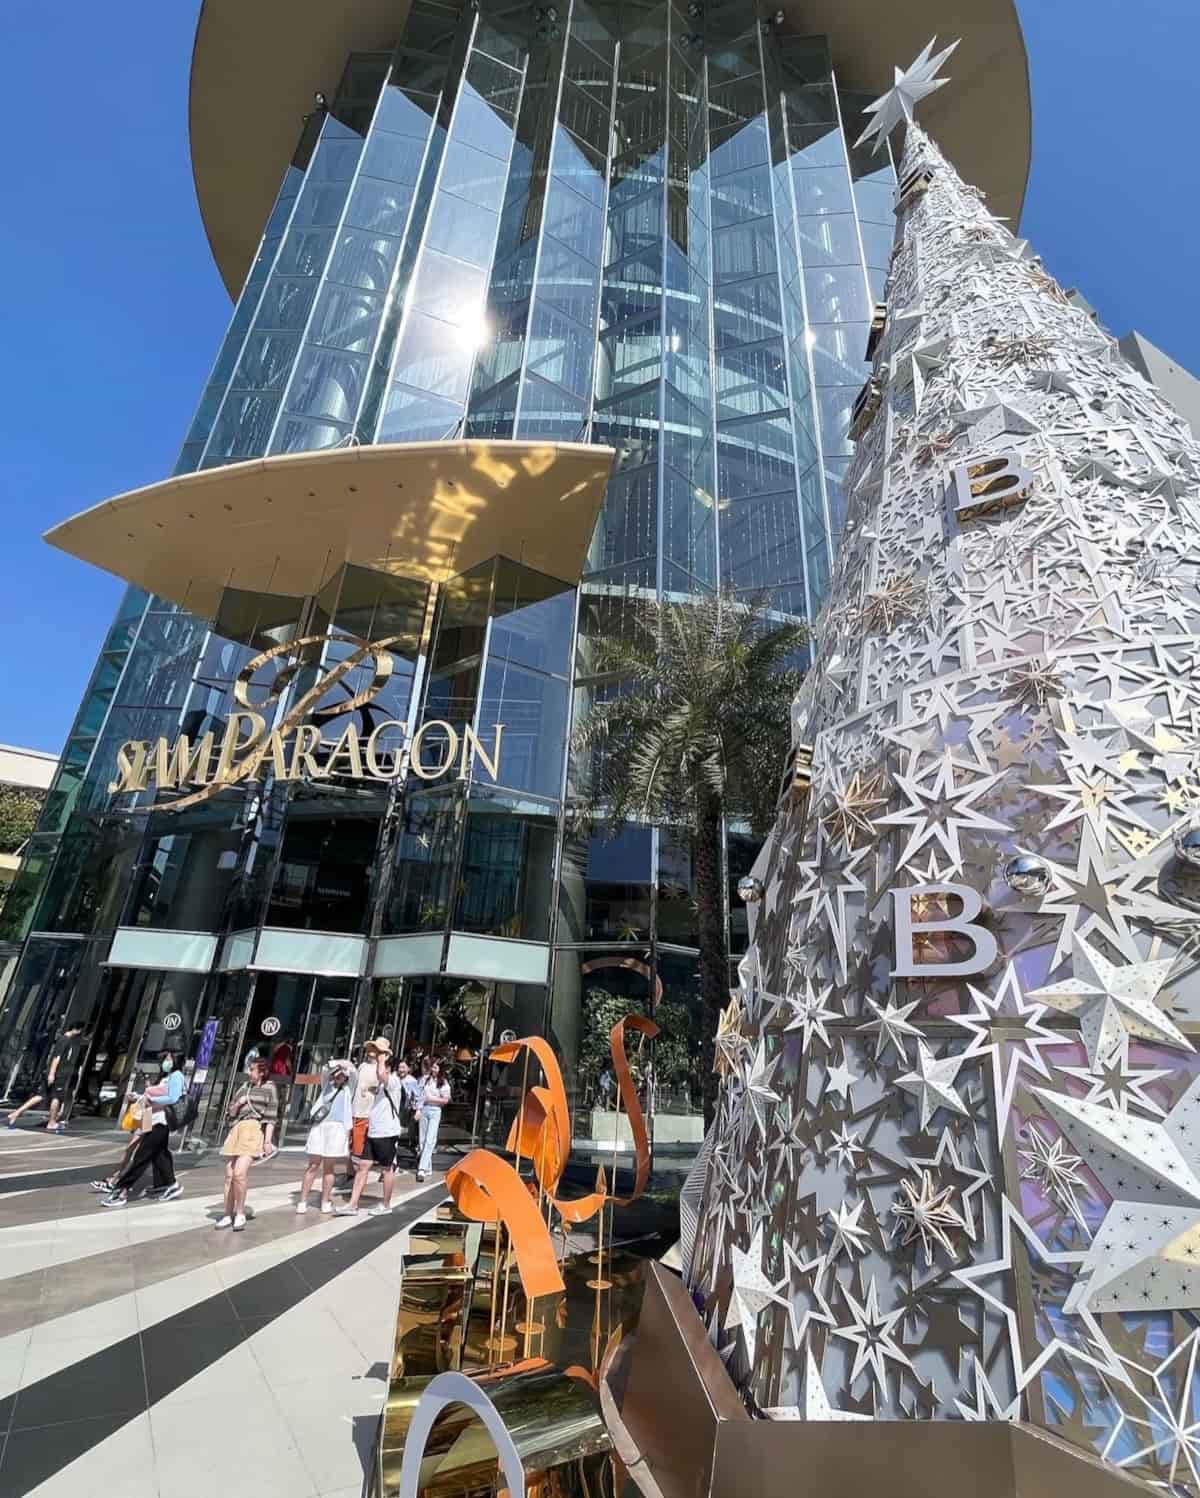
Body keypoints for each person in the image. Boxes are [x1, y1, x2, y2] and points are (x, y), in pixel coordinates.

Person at [99, 1048, 186, 1207]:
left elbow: (173, 1098)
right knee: (160, 1155)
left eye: (169, 1059)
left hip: (161, 1122)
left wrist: (151, 1098)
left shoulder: (177, 1076)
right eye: (165, 1059)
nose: (165, 1062)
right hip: (152, 1119)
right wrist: (141, 1097)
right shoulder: (167, 1076)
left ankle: (121, 1189)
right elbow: (153, 1097)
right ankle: (169, 1184)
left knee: (141, 1157)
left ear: (176, 1060)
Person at [337, 1051, 406, 1216]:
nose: (377, 1071)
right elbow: (377, 1084)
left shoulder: (394, 1081)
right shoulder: (382, 1085)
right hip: (373, 1131)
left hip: (386, 1132)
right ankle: (353, 1204)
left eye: (381, 1067)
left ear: (388, 1068)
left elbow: (382, 1075)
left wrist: (381, 1058)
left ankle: (386, 1204)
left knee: (387, 1169)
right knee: (363, 1166)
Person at [216, 1057, 279, 1231]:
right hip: (237, 1129)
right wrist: (239, 1103)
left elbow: (271, 1117)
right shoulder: (244, 1087)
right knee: (229, 1175)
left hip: (253, 1129)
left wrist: (267, 1141)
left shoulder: (270, 1088)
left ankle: (240, 1213)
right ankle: (227, 1214)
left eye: (252, 1069)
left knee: (239, 1173)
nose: (249, 1072)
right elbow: (230, 1112)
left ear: (262, 1072)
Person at [297, 1058, 353, 1216]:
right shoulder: (327, 1085)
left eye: (342, 1075)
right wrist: (336, 1064)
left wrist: (347, 1066)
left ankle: (325, 1200)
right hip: (320, 1126)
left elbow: (354, 1074)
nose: (338, 1076)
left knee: (329, 1168)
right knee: (313, 1165)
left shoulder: (349, 1089)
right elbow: (324, 1070)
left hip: (337, 1128)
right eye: (336, 1074)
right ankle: (302, 1201)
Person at [7, 1022, 86, 1132]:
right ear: (76, 1029)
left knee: (41, 1096)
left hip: (55, 1073)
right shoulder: (65, 1040)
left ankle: (16, 1113)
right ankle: (51, 1123)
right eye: (80, 1030)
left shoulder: (64, 1040)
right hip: (58, 1074)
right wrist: (52, 1074)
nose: (80, 1033)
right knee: (56, 1097)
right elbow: (56, 1058)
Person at [349, 1037, 389, 1165]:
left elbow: (382, 1089)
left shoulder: (382, 1069)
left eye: (377, 1049)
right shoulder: (363, 1066)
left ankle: (358, 1170)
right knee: (351, 1143)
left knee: (360, 1146)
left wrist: (372, 1089)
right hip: (355, 1107)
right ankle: (351, 1170)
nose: (372, 1051)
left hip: (367, 1111)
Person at [416, 1058, 451, 1183]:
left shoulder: (443, 1083)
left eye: (436, 1067)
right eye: (432, 1067)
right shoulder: (425, 1080)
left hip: (435, 1111)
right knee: (422, 1139)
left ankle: (421, 1169)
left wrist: (431, 1099)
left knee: (430, 1140)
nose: (433, 1069)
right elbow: (420, 1096)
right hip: (424, 1109)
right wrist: (418, 1109)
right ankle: (427, 1168)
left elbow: (445, 1100)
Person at [396, 1058, 422, 1164]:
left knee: (409, 1134)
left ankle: (416, 1152)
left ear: (408, 1069)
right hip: (394, 1110)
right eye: (399, 1067)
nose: (401, 1070)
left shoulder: (412, 1081)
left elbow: (418, 1096)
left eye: (403, 1067)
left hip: (406, 1111)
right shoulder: (394, 1078)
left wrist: (418, 1110)